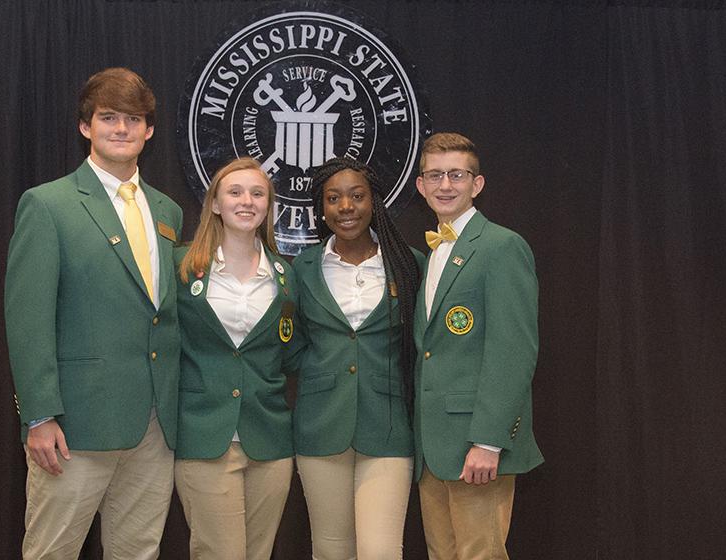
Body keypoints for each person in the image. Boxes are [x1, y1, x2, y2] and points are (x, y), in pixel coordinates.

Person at [4, 67, 182, 560]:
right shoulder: (47, 204)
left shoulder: (167, 211)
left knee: (138, 551)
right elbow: (27, 318)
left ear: (149, 130)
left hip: (154, 425)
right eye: (109, 117)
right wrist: (39, 416)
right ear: (86, 126)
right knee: (52, 551)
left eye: (133, 119)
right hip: (74, 429)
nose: (121, 129)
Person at [413, 133, 543, 560]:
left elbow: (513, 352)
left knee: (479, 555)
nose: (445, 185)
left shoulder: (501, 247)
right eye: (435, 175)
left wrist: (488, 440)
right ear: (420, 185)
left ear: (477, 183)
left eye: (456, 174)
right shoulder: (431, 253)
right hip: (434, 447)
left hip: (476, 445)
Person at [292, 157, 424, 559]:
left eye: (356, 196)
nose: (345, 207)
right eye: (333, 199)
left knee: (379, 551)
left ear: (375, 202)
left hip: (386, 425)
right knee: (331, 551)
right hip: (321, 426)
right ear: (322, 208)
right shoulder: (303, 268)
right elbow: (292, 342)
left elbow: (419, 344)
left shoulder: (408, 264)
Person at [173, 157, 297, 560]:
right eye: (235, 192)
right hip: (206, 436)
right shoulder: (183, 266)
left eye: (258, 193)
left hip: (270, 441)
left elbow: (290, 352)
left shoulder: (285, 275)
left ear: (268, 206)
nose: (247, 201)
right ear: (214, 204)